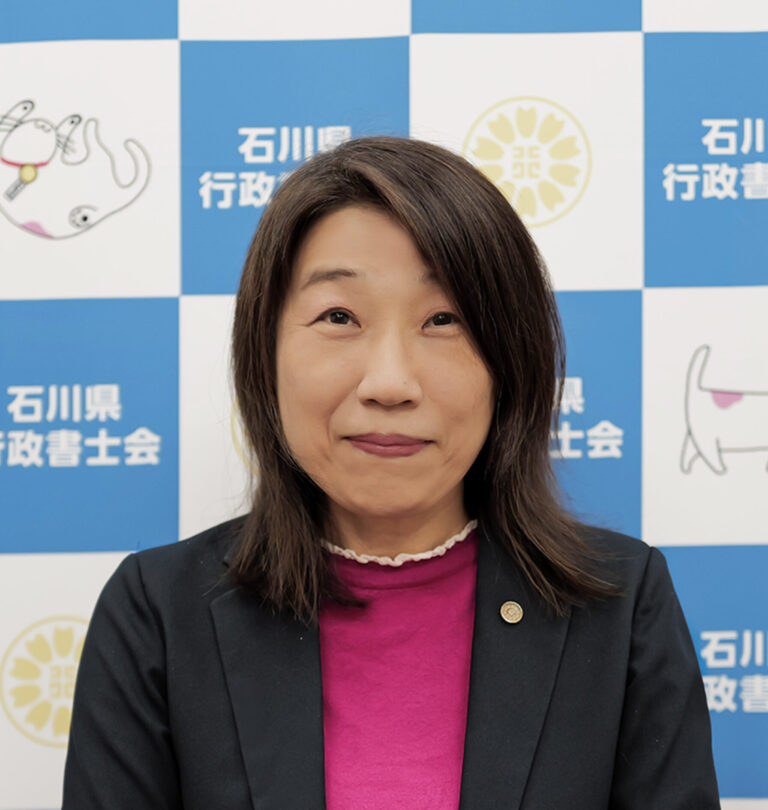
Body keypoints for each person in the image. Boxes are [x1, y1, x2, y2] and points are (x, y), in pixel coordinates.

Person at [62, 136, 720, 809]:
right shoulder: (158, 613)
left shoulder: (621, 605)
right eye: (338, 316)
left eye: (444, 319)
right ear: (265, 352)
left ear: (509, 362)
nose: (390, 383)